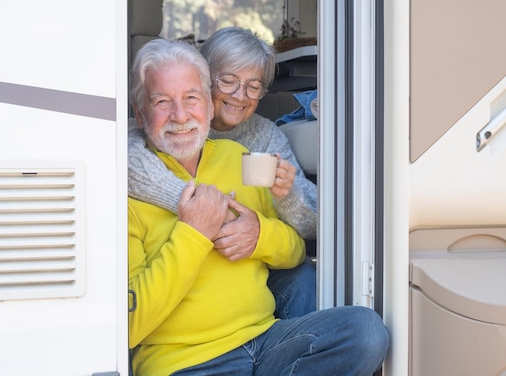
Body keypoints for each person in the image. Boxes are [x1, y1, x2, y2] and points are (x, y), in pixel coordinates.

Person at [128, 38, 389, 376]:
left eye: (191, 98)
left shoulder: (241, 160)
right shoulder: (126, 187)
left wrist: (260, 235)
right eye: (162, 101)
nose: (180, 115)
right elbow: (129, 323)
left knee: (364, 331)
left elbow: (295, 250)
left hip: (265, 342)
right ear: (139, 112)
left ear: (207, 104)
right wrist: (193, 233)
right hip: (186, 362)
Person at [129, 27, 318, 319]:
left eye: (254, 86)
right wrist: (201, 207)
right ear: (204, 79)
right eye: (229, 80)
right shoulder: (162, 127)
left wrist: (287, 195)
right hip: (185, 274)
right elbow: (124, 160)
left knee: (303, 278)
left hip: (252, 264)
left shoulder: (266, 137)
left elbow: (311, 227)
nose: (240, 95)